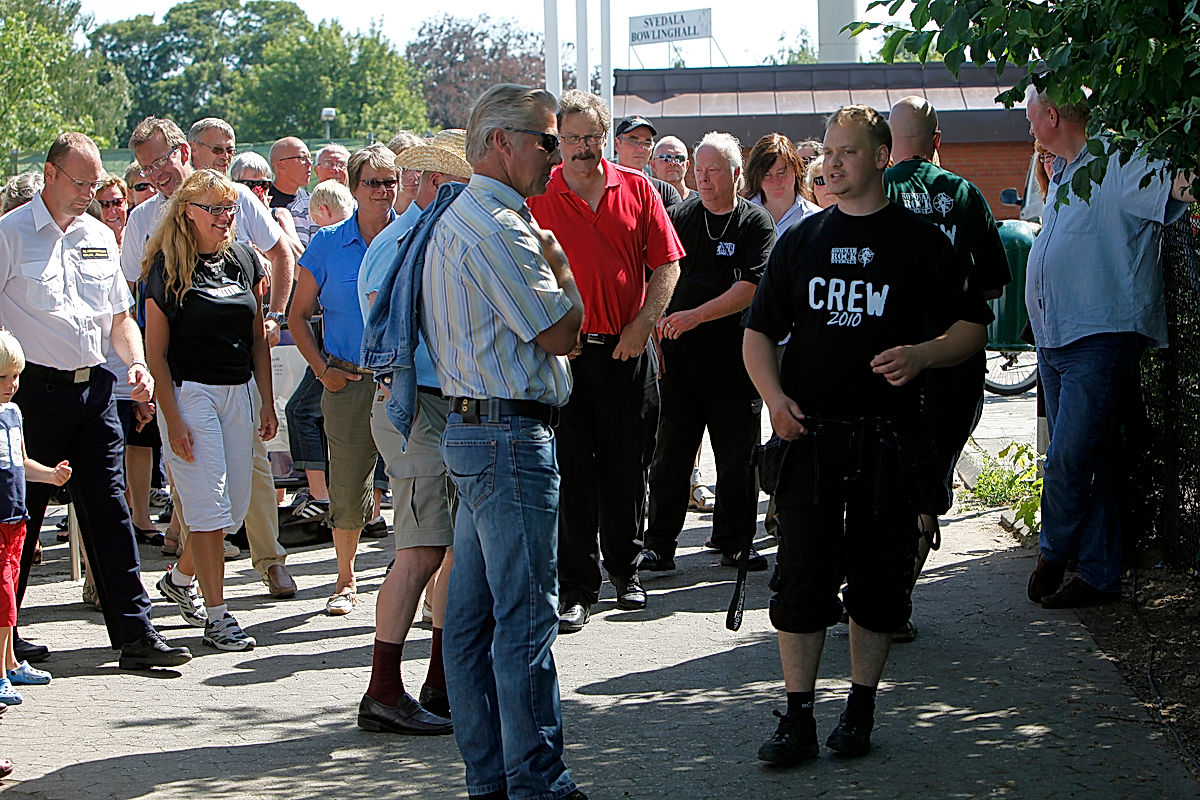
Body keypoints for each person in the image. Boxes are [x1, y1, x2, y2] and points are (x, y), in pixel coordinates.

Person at [743, 105, 992, 763]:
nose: (831, 163)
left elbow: (972, 327)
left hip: (887, 440)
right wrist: (773, 399)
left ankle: (859, 710)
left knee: (879, 585)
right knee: (800, 582)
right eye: (828, 151)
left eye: (848, 152)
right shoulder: (801, 240)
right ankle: (797, 716)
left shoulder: (920, 242)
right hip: (810, 440)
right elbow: (758, 333)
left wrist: (922, 355)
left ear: (882, 156)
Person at [418, 82, 587, 800]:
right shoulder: (499, 225)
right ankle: (537, 784)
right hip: (507, 435)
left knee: (472, 620)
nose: (558, 155)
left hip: (477, 430)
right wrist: (564, 268)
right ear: (502, 142)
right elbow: (561, 332)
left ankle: (493, 778)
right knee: (522, 622)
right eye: (548, 140)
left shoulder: (462, 216)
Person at [0, 131, 192, 670]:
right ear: (50, 174)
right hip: (30, 393)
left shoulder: (99, 237)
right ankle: (5, 638)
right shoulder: (10, 234)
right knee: (23, 517)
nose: (88, 192)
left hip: (95, 393)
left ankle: (135, 632)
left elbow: (118, 318)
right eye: (80, 182)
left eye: (93, 182)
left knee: (111, 510)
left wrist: (135, 361)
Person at [1024, 86, 1191, 608]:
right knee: (1089, 455)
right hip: (1058, 335)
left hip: (1102, 332)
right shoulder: (1068, 171)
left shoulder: (1117, 160)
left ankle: (1054, 550)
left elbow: (1181, 186)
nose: (1029, 130)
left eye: (1031, 118)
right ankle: (1098, 576)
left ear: (1052, 116)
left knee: (1070, 454)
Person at [527, 90, 683, 630]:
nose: (583, 148)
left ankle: (626, 571)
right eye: (572, 138)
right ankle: (577, 588)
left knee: (627, 468)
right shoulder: (538, 196)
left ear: (605, 138)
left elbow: (667, 264)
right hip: (567, 359)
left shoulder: (637, 188)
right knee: (571, 474)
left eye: (592, 137)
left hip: (626, 350)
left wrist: (644, 323)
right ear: (558, 142)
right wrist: (546, 333)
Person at [124, 116, 297, 602]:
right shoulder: (144, 222)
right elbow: (129, 302)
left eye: (160, 160)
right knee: (206, 504)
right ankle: (218, 608)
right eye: (144, 167)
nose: (153, 173)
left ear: (183, 152)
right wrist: (149, 386)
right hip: (187, 383)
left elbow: (280, 255)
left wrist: (275, 317)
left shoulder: (235, 211)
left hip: (238, 379)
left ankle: (191, 575)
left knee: (234, 500)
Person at [353, 129, 472, 734]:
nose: (461, 192)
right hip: (416, 405)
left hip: (429, 404)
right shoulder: (405, 243)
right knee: (422, 549)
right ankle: (385, 690)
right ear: (429, 182)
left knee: (444, 547)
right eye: (452, 180)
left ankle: (436, 681)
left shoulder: (409, 239)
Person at [884, 95, 1012, 641]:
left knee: (884, 474)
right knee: (927, 478)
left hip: (887, 361)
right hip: (954, 358)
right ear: (938, 140)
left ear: (888, 146)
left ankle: (877, 592)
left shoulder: (876, 191)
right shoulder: (964, 194)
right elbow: (993, 282)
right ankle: (897, 598)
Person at [638, 132, 775, 574]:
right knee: (671, 455)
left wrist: (696, 315)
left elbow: (750, 288)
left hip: (736, 362)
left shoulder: (756, 222)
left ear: (737, 173)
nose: (705, 178)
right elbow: (657, 270)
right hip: (682, 362)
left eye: (714, 170)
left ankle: (735, 542)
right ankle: (659, 543)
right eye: (700, 170)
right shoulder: (680, 216)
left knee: (738, 456)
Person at [289, 144, 397, 616]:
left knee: (419, 483)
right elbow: (297, 315)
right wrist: (321, 370)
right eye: (372, 182)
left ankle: (420, 581)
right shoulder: (327, 242)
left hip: (404, 381)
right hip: (348, 381)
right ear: (354, 187)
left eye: (390, 180)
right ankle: (345, 578)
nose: (383, 190)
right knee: (348, 484)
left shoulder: (411, 236)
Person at [0, 329, 70, 703]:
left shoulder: (13, 413)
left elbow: (21, 462)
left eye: (16, 376)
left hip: (15, 518)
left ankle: (10, 662)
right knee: (3, 598)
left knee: (9, 595)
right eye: (3, 377)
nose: (12, 385)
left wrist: (50, 474)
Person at [229, 151, 303, 258]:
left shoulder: (280, 215)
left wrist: (267, 217)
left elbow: (299, 256)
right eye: (249, 185)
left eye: (263, 185)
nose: (256, 190)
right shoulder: (228, 216)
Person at [744, 133, 822, 234]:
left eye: (781, 173)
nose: (775, 181)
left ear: (796, 170)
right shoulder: (741, 218)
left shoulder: (816, 218)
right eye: (767, 174)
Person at [613, 115, 683, 208]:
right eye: (634, 141)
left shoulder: (665, 193)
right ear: (617, 144)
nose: (641, 148)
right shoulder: (601, 188)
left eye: (647, 143)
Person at [268, 136, 317, 246]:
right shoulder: (263, 202)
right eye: (302, 158)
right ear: (281, 166)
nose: (309, 163)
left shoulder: (311, 201)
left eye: (310, 158)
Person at [386, 130, 424, 214]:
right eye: (404, 169)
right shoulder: (378, 212)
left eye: (419, 168)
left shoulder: (435, 213)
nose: (413, 177)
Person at [650, 135, 691, 200]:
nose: (673, 163)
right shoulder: (646, 202)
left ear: (687, 165)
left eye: (679, 158)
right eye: (665, 158)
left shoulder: (702, 203)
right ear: (653, 165)